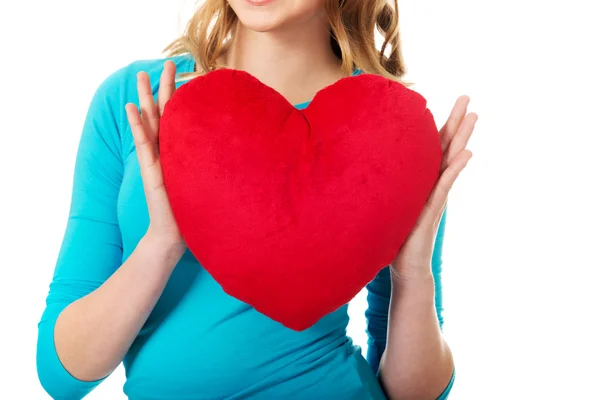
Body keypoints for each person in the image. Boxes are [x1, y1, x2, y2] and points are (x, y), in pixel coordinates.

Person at [36, 0, 476, 399]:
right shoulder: (134, 99)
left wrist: (413, 274)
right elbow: (61, 375)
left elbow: (413, 396)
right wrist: (162, 243)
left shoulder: (387, 127)